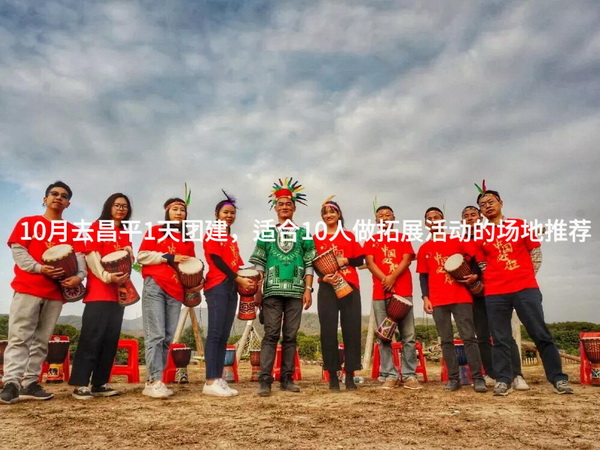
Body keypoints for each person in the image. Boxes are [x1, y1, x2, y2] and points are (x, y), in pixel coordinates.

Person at [474, 183, 573, 396]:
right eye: (483, 205)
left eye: (491, 202)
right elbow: (483, 264)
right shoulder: (481, 234)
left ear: (501, 203)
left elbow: (535, 253)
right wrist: (492, 280)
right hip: (495, 292)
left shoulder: (520, 225)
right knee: (499, 338)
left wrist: (526, 276)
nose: (487, 206)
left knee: (540, 333)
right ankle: (503, 380)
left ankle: (558, 379)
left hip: (525, 288)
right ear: (481, 212)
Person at [1, 181, 86, 404]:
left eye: (63, 196)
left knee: (41, 340)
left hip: (55, 293)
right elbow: (19, 252)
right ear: (45, 199)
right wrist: (39, 268)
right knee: (19, 337)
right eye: (54, 194)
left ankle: (30, 382)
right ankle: (11, 382)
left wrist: (79, 276)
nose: (58, 197)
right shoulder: (28, 223)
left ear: (68, 203)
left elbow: (80, 258)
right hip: (28, 286)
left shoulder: (73, 231)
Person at [249, 178, 316, 397]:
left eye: (288, 204)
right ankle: (265, 380)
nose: (285, 207)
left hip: (296, 290)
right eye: (281, 204)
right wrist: (257, 288)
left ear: (294, 208)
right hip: (271, 291)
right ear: (275, 208)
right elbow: (259, 263)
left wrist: (308, 289)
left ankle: (287, 378)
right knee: (270, 334)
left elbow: (309, 264)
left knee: (291, 335)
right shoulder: (267, 233)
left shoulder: (304, 234)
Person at [69, 193, 134, 400]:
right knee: (92, 338)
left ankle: (100, 383)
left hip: (119, 294)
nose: (121, 209)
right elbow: (91, 256)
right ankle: (80, 384)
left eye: (124, 206)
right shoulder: (97, 228)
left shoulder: (124, 232)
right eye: (117, 205)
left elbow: (125, 259)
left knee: (110, 339)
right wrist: (106, 276)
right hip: (99, 292)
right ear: (108, 207)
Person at [417, 207, 487, 393]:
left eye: (437, 217)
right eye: (429, 218)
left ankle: (478, 378)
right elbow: (423, 276)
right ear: (426, 224)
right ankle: (453, 378)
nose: (434, 220)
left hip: (460, 296)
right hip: (438, 298)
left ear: (443, 220)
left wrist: (475, 276)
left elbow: (477, 259)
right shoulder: (424, 248)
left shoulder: (457, 240)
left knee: (469, 338)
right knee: (446, 340)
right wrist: (425, 298)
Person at [137, 197, 202, 399]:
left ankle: (159, 380)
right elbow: (141, 256)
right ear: (167, 212)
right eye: (175, 209)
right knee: (155, 335)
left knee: (166, 338)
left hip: (176, 290)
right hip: (155, 284)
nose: (179, 212)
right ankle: (152, 381)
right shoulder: (156, 231)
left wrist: (197, 281)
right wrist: (169, 257)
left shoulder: (187, 240)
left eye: (182, 210)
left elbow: (191, 267)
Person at [461, 205, 529, 390]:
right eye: (466, 216)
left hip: (497, 291)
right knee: (482, 336)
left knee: (503, 335)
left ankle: (516, 374)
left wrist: (480, 277)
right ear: (461, 222)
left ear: (480, 217)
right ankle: (492, 373)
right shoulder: (461, 242)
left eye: (473, 214)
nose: (470, 218)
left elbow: (495, 261)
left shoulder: (491, 234)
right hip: (475, 296)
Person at [202, 190, 255, 397]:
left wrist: (249, 277)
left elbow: (237, 265)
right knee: (215, 333)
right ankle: (209, 380)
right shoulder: (213, 233)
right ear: (217, 215)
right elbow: (217, 261)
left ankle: (218, 378)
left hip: (231, 286)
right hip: (218, 285)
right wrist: (237, 278)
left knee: (224, 334)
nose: (229, 215)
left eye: (232, 213)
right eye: (225, 212)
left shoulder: (230, 239)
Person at [364, 205, 421, 390]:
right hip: (380, 293)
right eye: (380, 216)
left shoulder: (403, 237)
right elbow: (370, 263)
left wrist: (393, 277)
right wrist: (385, 279)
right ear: (376, 221)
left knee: (408, 335)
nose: (384, 218)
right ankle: (389, 374)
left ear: (394, 219)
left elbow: (406, 259)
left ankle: (409, 374)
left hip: (403, 291)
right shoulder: (372, 240)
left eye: (388, 215)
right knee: (384, 336)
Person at [313, 197, 364, 391]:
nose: (329, 215)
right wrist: (323, 277)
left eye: (332, 211)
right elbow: (312, 263)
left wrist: (345, 261)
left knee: (351, 330)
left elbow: (360, 259)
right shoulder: (317, 237)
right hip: (327, 287)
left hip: (349, 285)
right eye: (325, 213)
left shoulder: (349, 236)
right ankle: (332, 375)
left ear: (339, 214)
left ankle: (350, 374)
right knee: (328, 330)